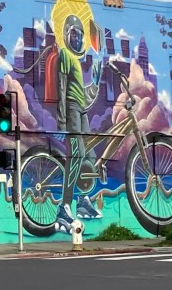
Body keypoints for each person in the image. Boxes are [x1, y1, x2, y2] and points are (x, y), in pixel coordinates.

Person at [54, 14, 103, 233]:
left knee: (90, 156)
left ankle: (83, 200)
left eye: (81, 35)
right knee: (77, 154)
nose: (78, 38)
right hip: (72, 109)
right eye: (75, 33)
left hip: (81, 109)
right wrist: (62, 119)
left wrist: (96, 81)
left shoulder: (78, 60)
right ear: (66, 34)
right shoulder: (64, 55)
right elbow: (62, 87)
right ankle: (64, 206)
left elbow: (85, 96)